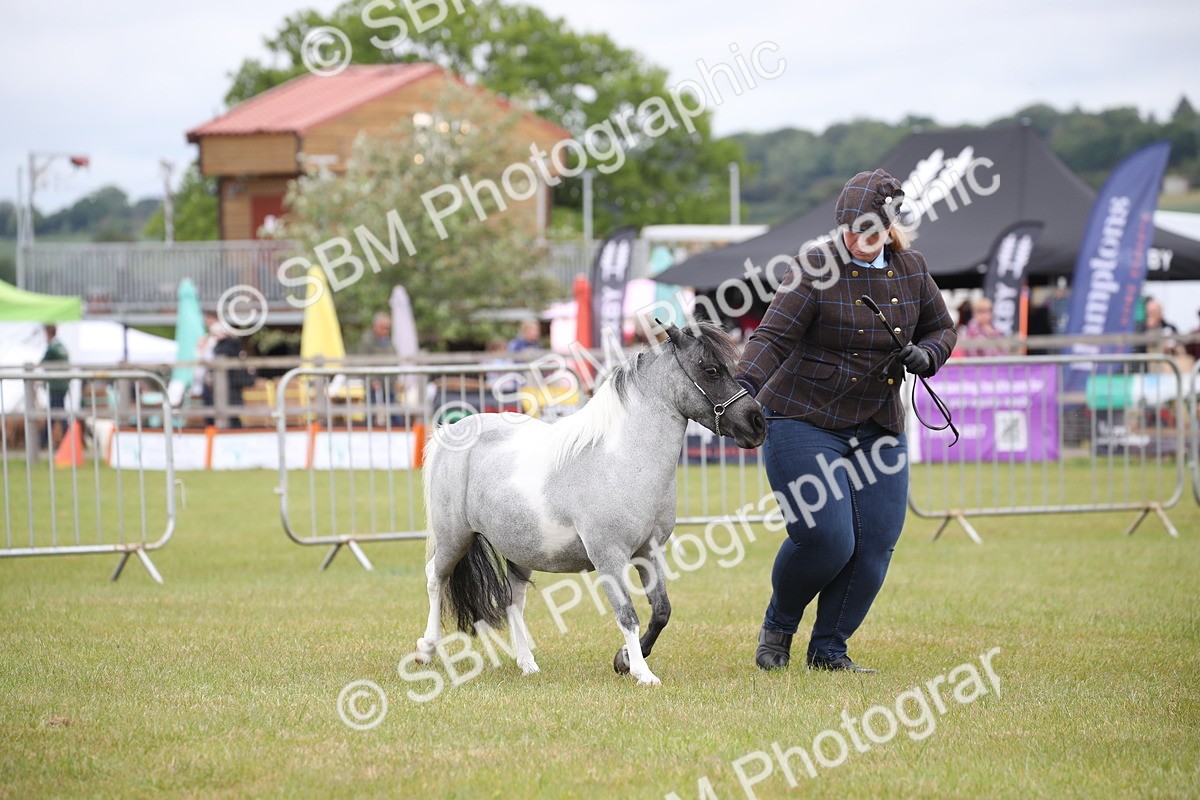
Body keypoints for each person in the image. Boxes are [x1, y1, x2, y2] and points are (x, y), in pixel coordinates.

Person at [735, 169, 957, 673]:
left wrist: (928, 353)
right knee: (828, 538)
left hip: (877, 423)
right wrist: (743, 391)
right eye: (849, 229)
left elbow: (943, 327)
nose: (857, 239)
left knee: (875, 544)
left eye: (869, 230)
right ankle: (779, 625)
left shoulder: (912, 268)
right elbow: (772, 338)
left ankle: (829, 650)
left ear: (889, 226)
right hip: (801, 417)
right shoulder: (815, 267)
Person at [40, 324, 70, 448]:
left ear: (48, 333)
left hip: (55, 386)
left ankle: (43, 442)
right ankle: (45, 441)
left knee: (55, 415)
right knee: (59, 414)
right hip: (63, 385)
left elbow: (42, 363)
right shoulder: (62, 346)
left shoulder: (52, 348)